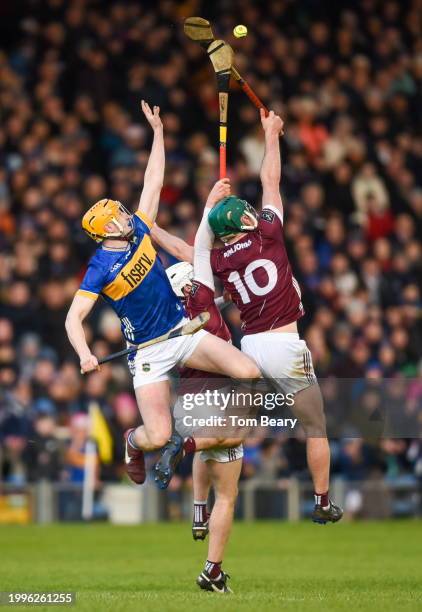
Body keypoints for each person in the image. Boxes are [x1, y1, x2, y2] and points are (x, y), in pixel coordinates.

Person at [65, 101, 260, 487]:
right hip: (148, 352)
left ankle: (213, 432)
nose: (124, 215)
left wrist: (158, 133)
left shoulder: (139, 229)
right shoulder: (98, 270)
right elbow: (73, 318)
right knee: (155, 435)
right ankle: (131, 443)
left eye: (121, 213)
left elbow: (153, 181)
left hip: (182, 331)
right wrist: (85, 354)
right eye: (116, 217)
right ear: (106, 232)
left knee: (250, 371)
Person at [193, 109, 343, 525]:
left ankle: (197, 496)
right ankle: (321, 500)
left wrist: (208, 210)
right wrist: (271, 134)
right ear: (244, 219)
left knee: (230, 433)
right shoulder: (269, 234)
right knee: (316, 425)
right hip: (284, 344)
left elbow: (196, 249)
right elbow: (270, 181)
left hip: (248, 348)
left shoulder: (218, 258)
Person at [159, 257, 242, 593]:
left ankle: (197, 509)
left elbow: (215, 304)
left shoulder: (171, 321)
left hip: (187, 402)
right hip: (217, 397)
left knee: (207, 451)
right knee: (227, 494)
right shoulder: (203, 306)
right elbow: (211, 303)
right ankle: (213, 571)